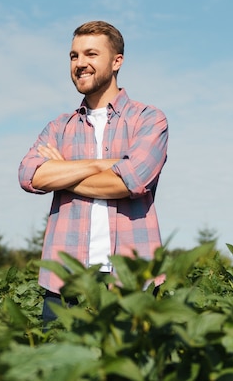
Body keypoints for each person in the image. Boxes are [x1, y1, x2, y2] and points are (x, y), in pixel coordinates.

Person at [18, 21, 169, 324]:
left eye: (90, 54)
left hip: (131, 279)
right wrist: (101, 164)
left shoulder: (148, 119)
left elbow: (131, 180)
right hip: (65, 281)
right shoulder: (59, 127)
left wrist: (62, 170)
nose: (80, 63)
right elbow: (30, 176)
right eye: (74, 56)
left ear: (116, 62)